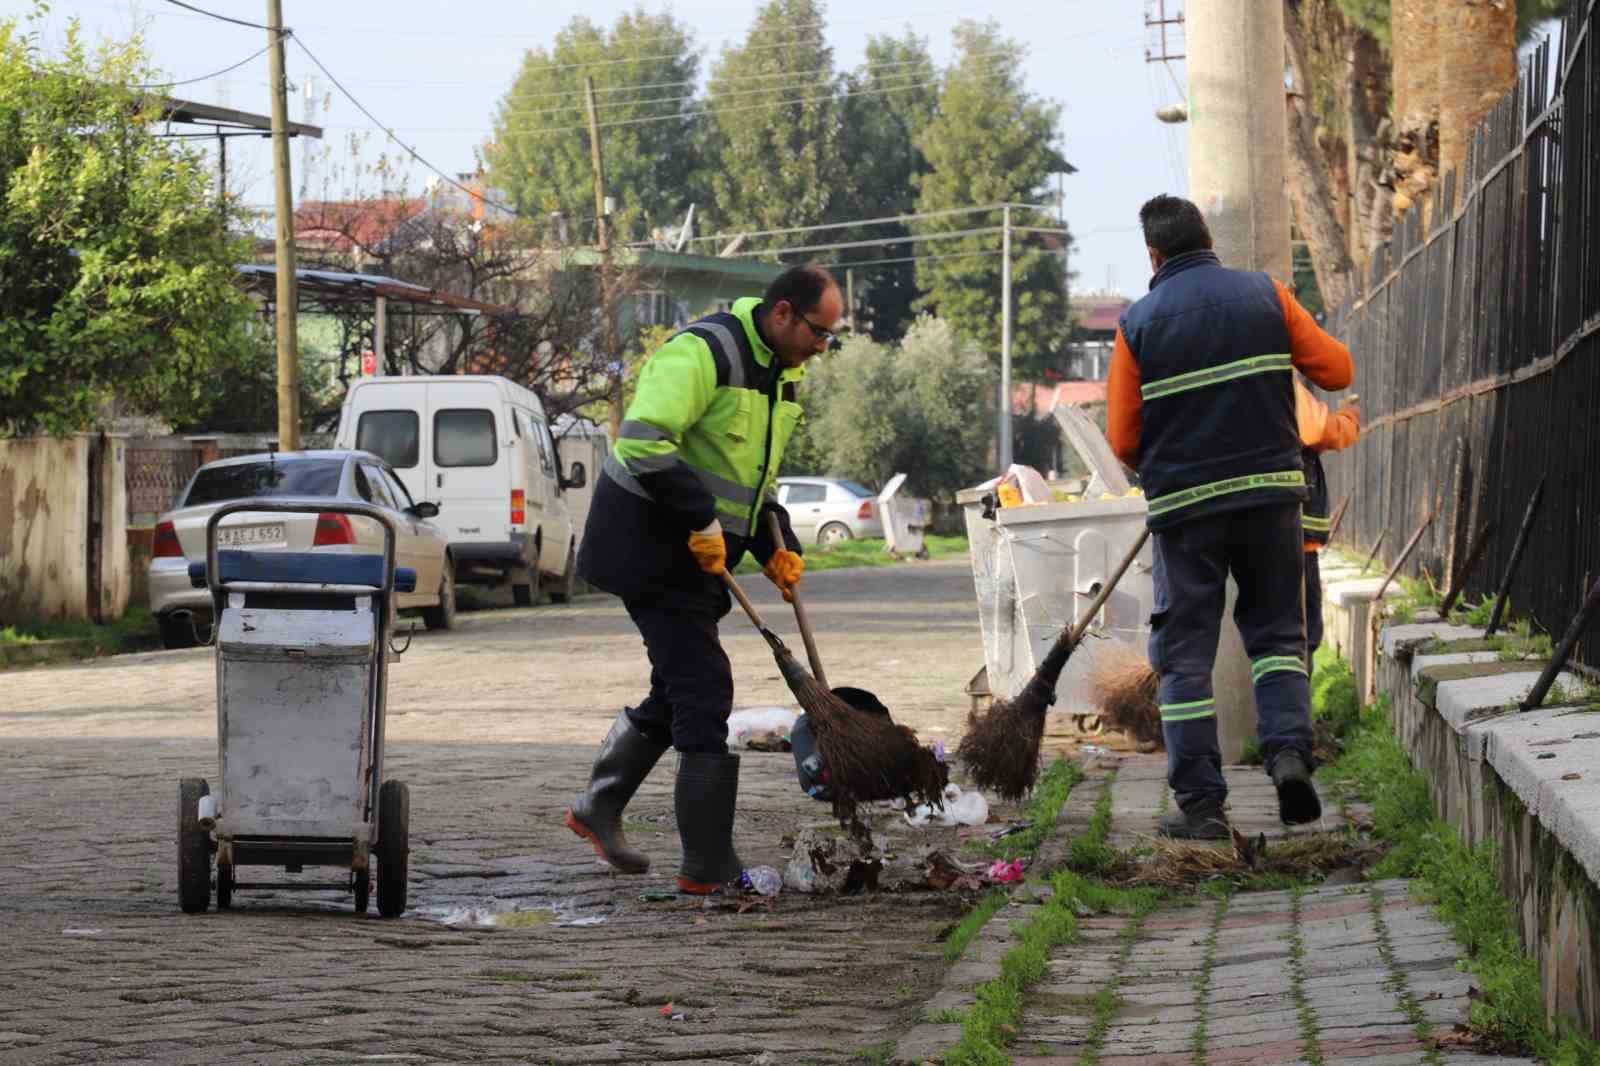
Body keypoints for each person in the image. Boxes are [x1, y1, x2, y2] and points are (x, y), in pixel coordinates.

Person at [565, 264, 844, 894]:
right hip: (646, 543)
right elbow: (641, 443)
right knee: (704, 687)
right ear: (783, 315)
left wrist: (778, 540)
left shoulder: (782, 377)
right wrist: (698, 518)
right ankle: (708, 867)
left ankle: (597, 806)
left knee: (679, 686)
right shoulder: (702, 353)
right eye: (820, 333)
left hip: (698, 555)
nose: (823, 347)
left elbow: (753, 477)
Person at [1105, 195, 1354, 840]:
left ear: (1153, 255)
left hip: (1187, 513)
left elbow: (1123, 440)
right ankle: (1291, 759)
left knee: (1185, 657)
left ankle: (1202, 806)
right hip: (1272, 501)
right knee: (1276, 639)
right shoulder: (1266, 295)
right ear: (1208, 238)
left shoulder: (1137, 324)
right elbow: (1338, 368)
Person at [1295, 378, 1360, 667]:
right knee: (1300, 633)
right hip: (1294, 536)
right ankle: (1295, 707)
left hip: (1242, 530)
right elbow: (1318, 430)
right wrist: (1348, 418)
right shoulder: (1279, 374)